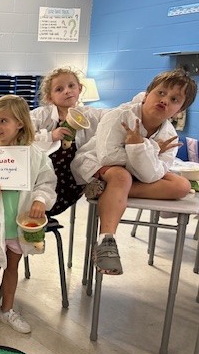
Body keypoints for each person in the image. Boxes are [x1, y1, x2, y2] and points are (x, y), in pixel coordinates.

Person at [72, 69, 197, 275]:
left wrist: (140, 146)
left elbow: (152, 175)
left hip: (134, 174)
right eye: (161, 93)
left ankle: (107, 190)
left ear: (180, 110)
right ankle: (106, 241)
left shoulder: (169, 135)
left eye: (174, 99)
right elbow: (108, 157)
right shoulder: (119, 116)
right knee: (121, 176)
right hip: (96, 164)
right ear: (147, 95)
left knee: (181, 186)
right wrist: (151, 149)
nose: (165, 100)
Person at [0, 95, 56, 334]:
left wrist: (39, 200)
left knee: (12, 266)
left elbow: (46, 183)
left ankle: (7, 309)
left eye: (4, 121)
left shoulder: (34, 155)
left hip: (19, 225)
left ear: (20, 123)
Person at [31, 67, 107, 215]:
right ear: (50, 97)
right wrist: (50, 136)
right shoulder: (40, 115)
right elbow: (23, 135)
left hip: (71, 179)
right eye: (59, 89)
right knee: (36, 201)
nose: (67, 91)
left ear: (80, 89)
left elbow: (114, 116)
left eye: (71, 86)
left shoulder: (90, 114)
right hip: (42, 174)